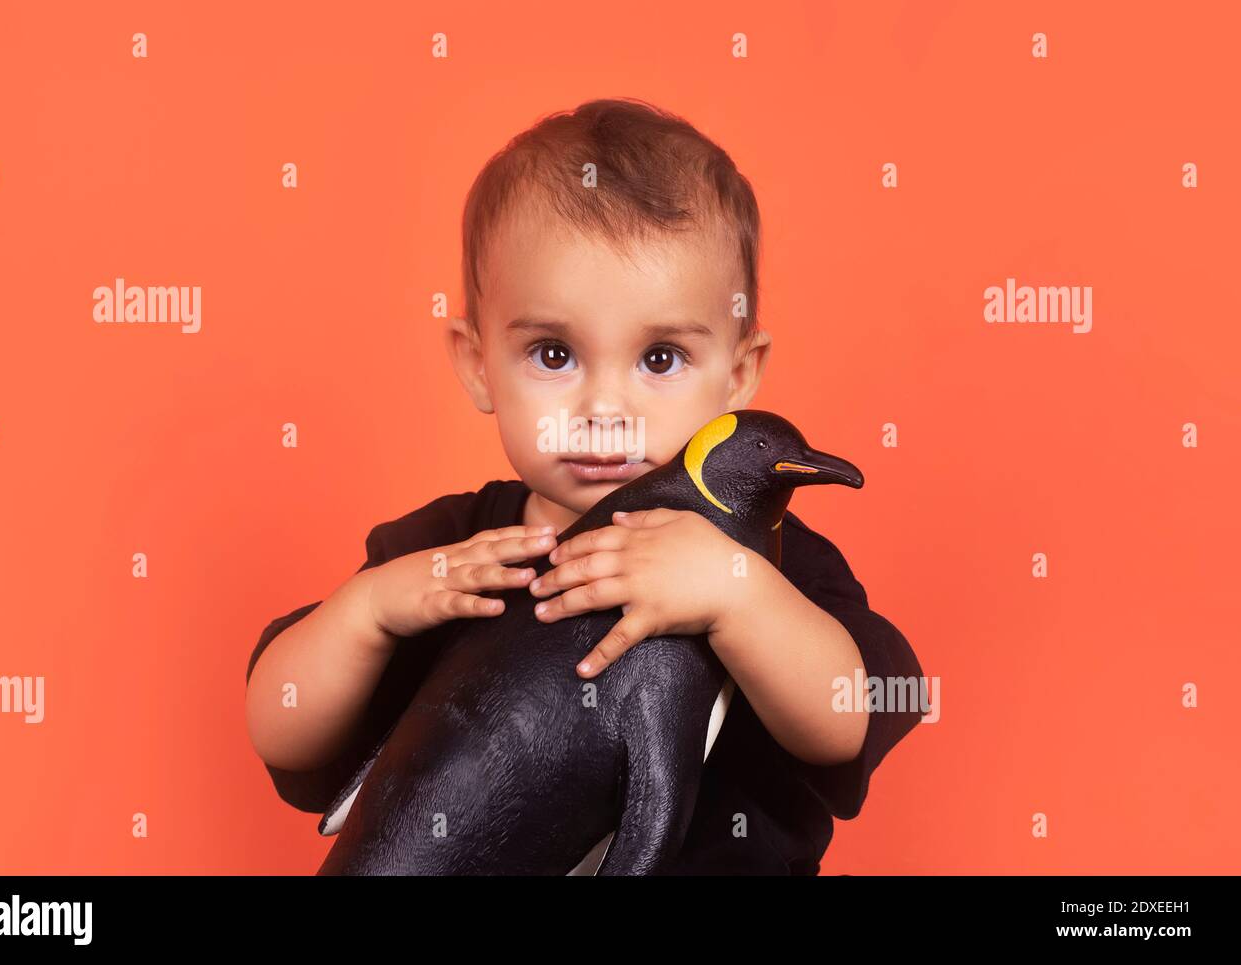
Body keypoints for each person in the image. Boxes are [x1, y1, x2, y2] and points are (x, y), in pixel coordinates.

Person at [245, 97, 924, 875]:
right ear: (476, 363)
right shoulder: (452, 555)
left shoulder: (770, 560)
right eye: (554, 354)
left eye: (660, 358)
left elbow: (851, 716)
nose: (605, 410)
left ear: (738, 374)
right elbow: (280, 726)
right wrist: (366, 613)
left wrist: (738, 595)